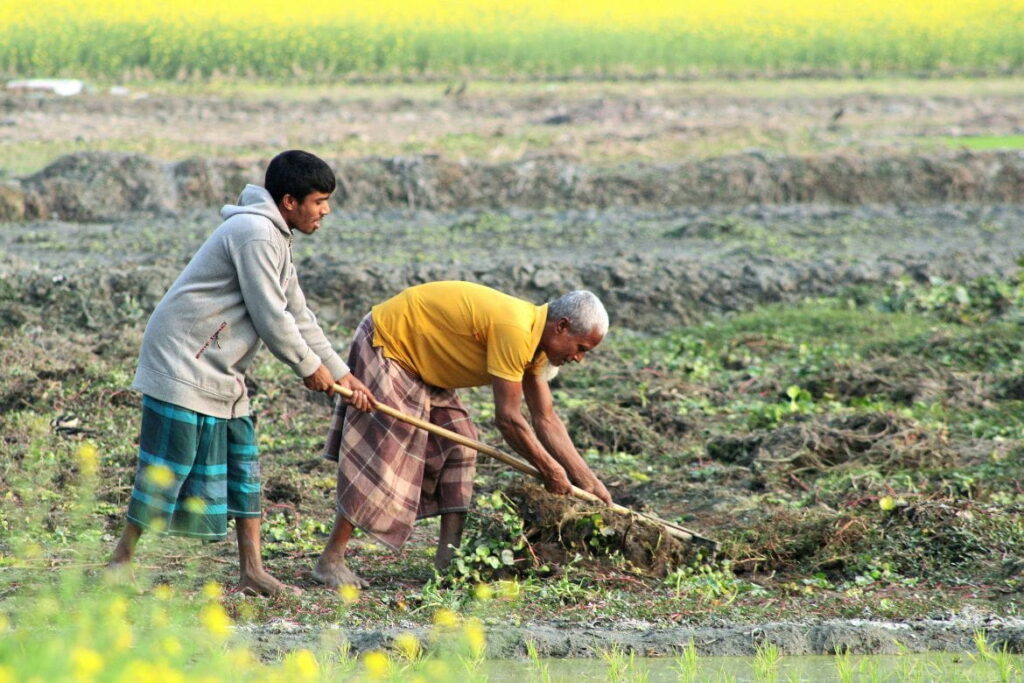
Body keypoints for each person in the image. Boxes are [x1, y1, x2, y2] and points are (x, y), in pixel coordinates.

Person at [108, 150, 373, 596]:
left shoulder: (276, 236)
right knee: (167, 466)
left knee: (243, 465)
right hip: (185, 359)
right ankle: (121, 561)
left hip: (221, 365)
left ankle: (252, 571)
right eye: (319, 200)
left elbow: (299, 314)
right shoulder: (254, 233)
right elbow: (271, 317)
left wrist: (342, 373)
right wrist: (309, 370)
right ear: (290, 201)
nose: (325, 210)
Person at [313, 281, 613, 588]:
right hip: (389, 344)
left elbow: (545, 418)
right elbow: (509, 420)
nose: (579, 358)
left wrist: (588, 480)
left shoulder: (538, 346)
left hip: (424, 363)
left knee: (460, 444)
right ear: (561, 326)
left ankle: (447, 560)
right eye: (581, 349)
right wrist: (550, 469)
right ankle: (331, 560)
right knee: (385, 450)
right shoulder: (517, 329)